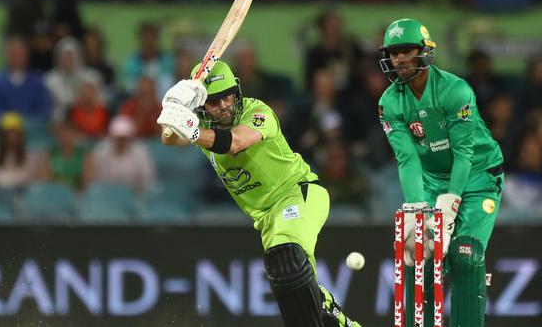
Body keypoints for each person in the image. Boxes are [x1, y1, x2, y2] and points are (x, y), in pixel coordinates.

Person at [157, 61, 361, 327]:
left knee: (286, 257)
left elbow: (235, 142)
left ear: (237, 92)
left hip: (298, 195)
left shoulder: (257, 111)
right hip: (267, 220)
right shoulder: (205, 127)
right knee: (296, 285)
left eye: (227, 96)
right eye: (214, 101)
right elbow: (170, 139)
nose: (224, 106)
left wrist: (192, 127)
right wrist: (174, 108)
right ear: (202, 105)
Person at [377, 18, 504, 327]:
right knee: (418, 251)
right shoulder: (389, 102)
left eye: (407, 50)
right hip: (432, 180)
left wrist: (451, 203)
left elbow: (463, 153)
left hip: (478, 177)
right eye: (394, 53)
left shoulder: (455, 91)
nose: (400, 60)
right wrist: (417, 205)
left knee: (465, 255)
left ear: (424, 51)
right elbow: (407, 159)